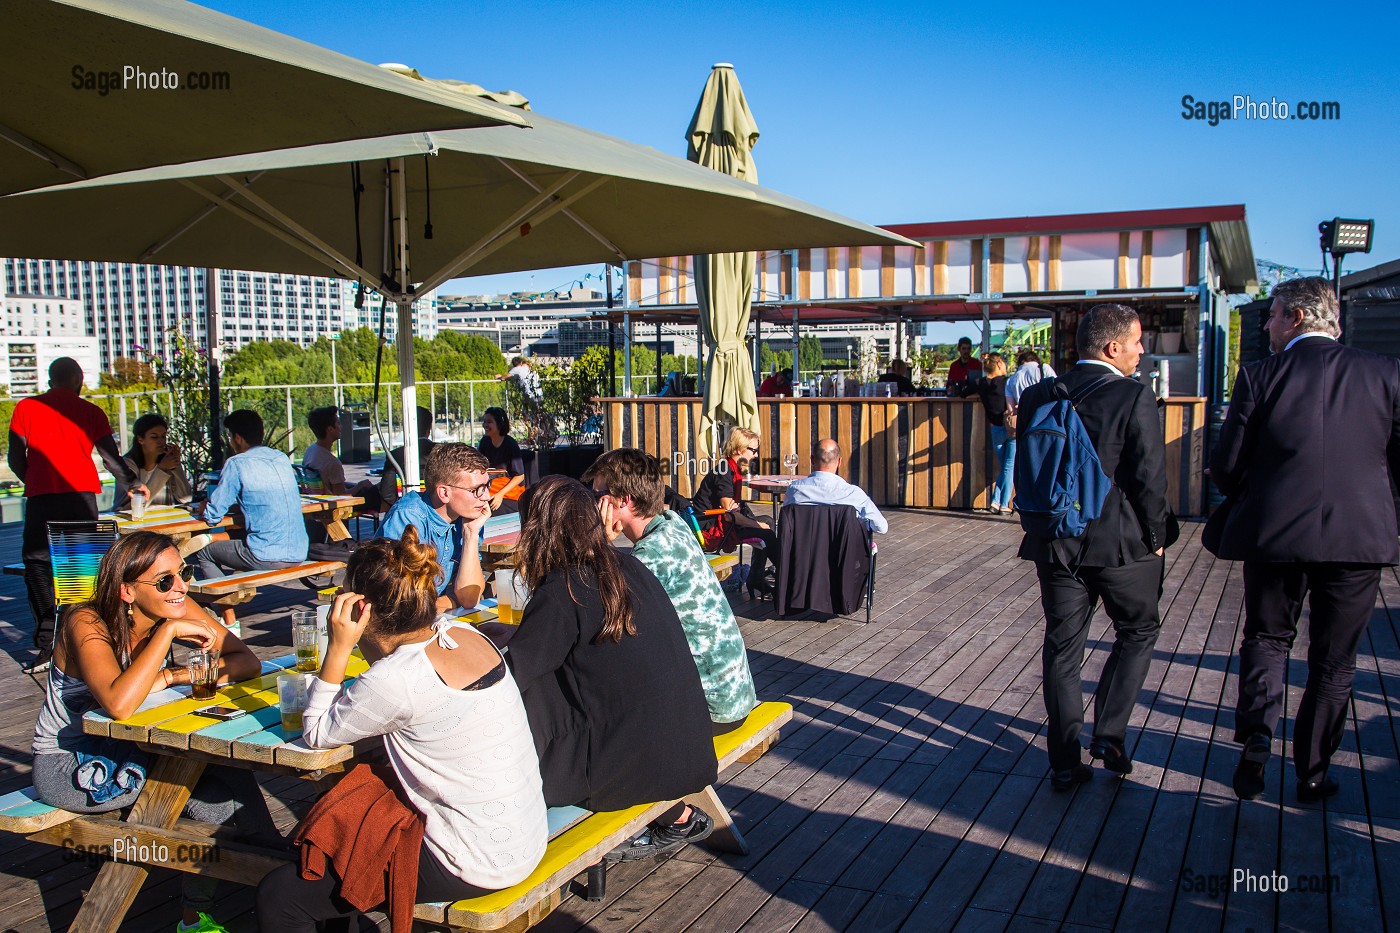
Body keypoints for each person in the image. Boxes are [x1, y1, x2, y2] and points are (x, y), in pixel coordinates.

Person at [255, 531, 548, 931]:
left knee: (282, 897)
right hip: (522, 838)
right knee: (345, 833)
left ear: (360, 608)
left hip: (474, 860)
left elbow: (317, 732)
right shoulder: (465, 635)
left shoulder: (396, 679)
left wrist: (339, 648)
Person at [1205, 277, 1400, 803]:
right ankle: (1313, 772)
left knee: (1268, 638)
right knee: (1335, 662)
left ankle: (1258, 736)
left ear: (1295, 317)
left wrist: (1254, 488)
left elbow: (1226, 465)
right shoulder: (1385, 374)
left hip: (1275, 533)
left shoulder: (1260, 376)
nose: (1266, 324)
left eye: (1270, 315)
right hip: (1359, 539)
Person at [32, 531, 276, 933]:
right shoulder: (84, 620)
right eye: (165, 581)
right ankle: (267, 877)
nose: (180, 586)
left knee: (220, 778)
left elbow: (246, 661)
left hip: (139, 745)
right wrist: (167, 633)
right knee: (211, 782)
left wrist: (176, 673)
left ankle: (264, 881)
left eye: (182, 572)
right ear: (128, 591)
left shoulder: (173, 602)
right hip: (74, 766)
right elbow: (118, 703)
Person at [485, 476, 717, 861]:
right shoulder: (627, 565)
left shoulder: (563, 587)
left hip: (625, 773)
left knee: (524, 697)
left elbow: (510, 676)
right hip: (685, 748)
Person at [1015, 303, 1172, 791]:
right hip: (1122, 546)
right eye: (1137, 342)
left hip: (1054, 542)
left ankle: (1064, 761)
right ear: (1113, 347)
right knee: (1138, 631)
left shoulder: (1041, 393)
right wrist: (1158, 538)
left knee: (1063, 649)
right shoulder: (1131, 396)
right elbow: (1148, 479)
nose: (1141, 351)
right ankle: (1109, 733)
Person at [584, 448, 758, 733]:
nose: (593, 505)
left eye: (598, 496)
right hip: (734, 696)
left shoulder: (651, 555)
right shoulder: (672, 524)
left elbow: (598, 613)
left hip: (712, 709)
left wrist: (598, 544)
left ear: (624, 499)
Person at [8, 357, 148, 672]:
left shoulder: (25, 408)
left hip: (41, 497)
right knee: (84, 570)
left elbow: (15, 456)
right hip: (81, 498)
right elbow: (112, 461)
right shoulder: (91, 412)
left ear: (50, 378)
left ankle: (48, 643)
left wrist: (34, 478)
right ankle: (88, 641)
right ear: (77, 379)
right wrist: (134, 483)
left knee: (38, 566)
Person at [194, 410, 309, 629]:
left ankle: (229, 621)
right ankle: (230, 607)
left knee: (203, 552)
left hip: (265, 554)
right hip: (299, 551)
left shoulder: (237, 463)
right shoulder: (280, 458)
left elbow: (212, 516)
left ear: (237, 437)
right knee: (232, 540)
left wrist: (204, 506)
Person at [378, 443, 490, 612]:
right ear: (444, 493)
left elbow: (468, 598)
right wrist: (450, 601)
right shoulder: (408, 518)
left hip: (432, 619)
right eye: (476, 490)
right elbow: (400, 604)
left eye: (487, 486)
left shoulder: (470, 520)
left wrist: (471, 535)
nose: (487, 496)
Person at [690, 427, 781, 598]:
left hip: (718, 519)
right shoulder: (725, 472)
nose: (755, 455)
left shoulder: (729, 468)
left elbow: (732, 510)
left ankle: (756, 577)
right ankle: (787, 579)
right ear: (740, 449)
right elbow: (728, 514)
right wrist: (755, 524)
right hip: (712, 527)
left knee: (768, 520)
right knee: (767, 532)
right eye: (753, 450)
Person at [784, 439, 888, 534]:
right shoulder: (854, 494)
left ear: (812, 460)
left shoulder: (794, 490)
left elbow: (787, 522)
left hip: (804, 552)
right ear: (839, 462)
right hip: (844, 553)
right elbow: (881, 527)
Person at [303, 406, 379, 503]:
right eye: (338, 423)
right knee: (379, 493)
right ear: (330, 429)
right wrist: (360, 486)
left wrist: (355, 485)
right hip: (331, 506)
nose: (341, 427)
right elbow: (341, 496)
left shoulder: (310, 451)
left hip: (316, 500)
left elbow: (332, 484)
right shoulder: (332, 463)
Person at [118, 413, 192, 508]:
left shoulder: (166, 460)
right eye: (154, 437)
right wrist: (161, 470)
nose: (161, 441)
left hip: (162, 518)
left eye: (163, 436)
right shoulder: (127, 464)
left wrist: (176, 464)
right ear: (140, 440)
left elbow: (185, 498)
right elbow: (139, 504)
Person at [972, 354, 1014, 514]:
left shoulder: (981, 383)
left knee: (1005, 466)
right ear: (998, 365)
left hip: (995, 427)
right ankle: (1003, 504)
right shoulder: (1007, 381)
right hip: (1011, 427)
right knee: (1009, 466)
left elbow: (963, 392)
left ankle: (995, 502)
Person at [378, 405, 436, 508]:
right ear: (429, 429)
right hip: (439, 509)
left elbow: (387, 493)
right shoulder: (443, 453)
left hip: (405, 509)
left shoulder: (394, 455)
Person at [478, 406, 525, 513]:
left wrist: (500, 494)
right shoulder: (484, 442)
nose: (485, 425)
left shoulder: (510, 444)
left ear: (499, 424)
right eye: (484, 421)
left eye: (489, 422)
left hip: (509, 490)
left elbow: (520, 476)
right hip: (489, 485)